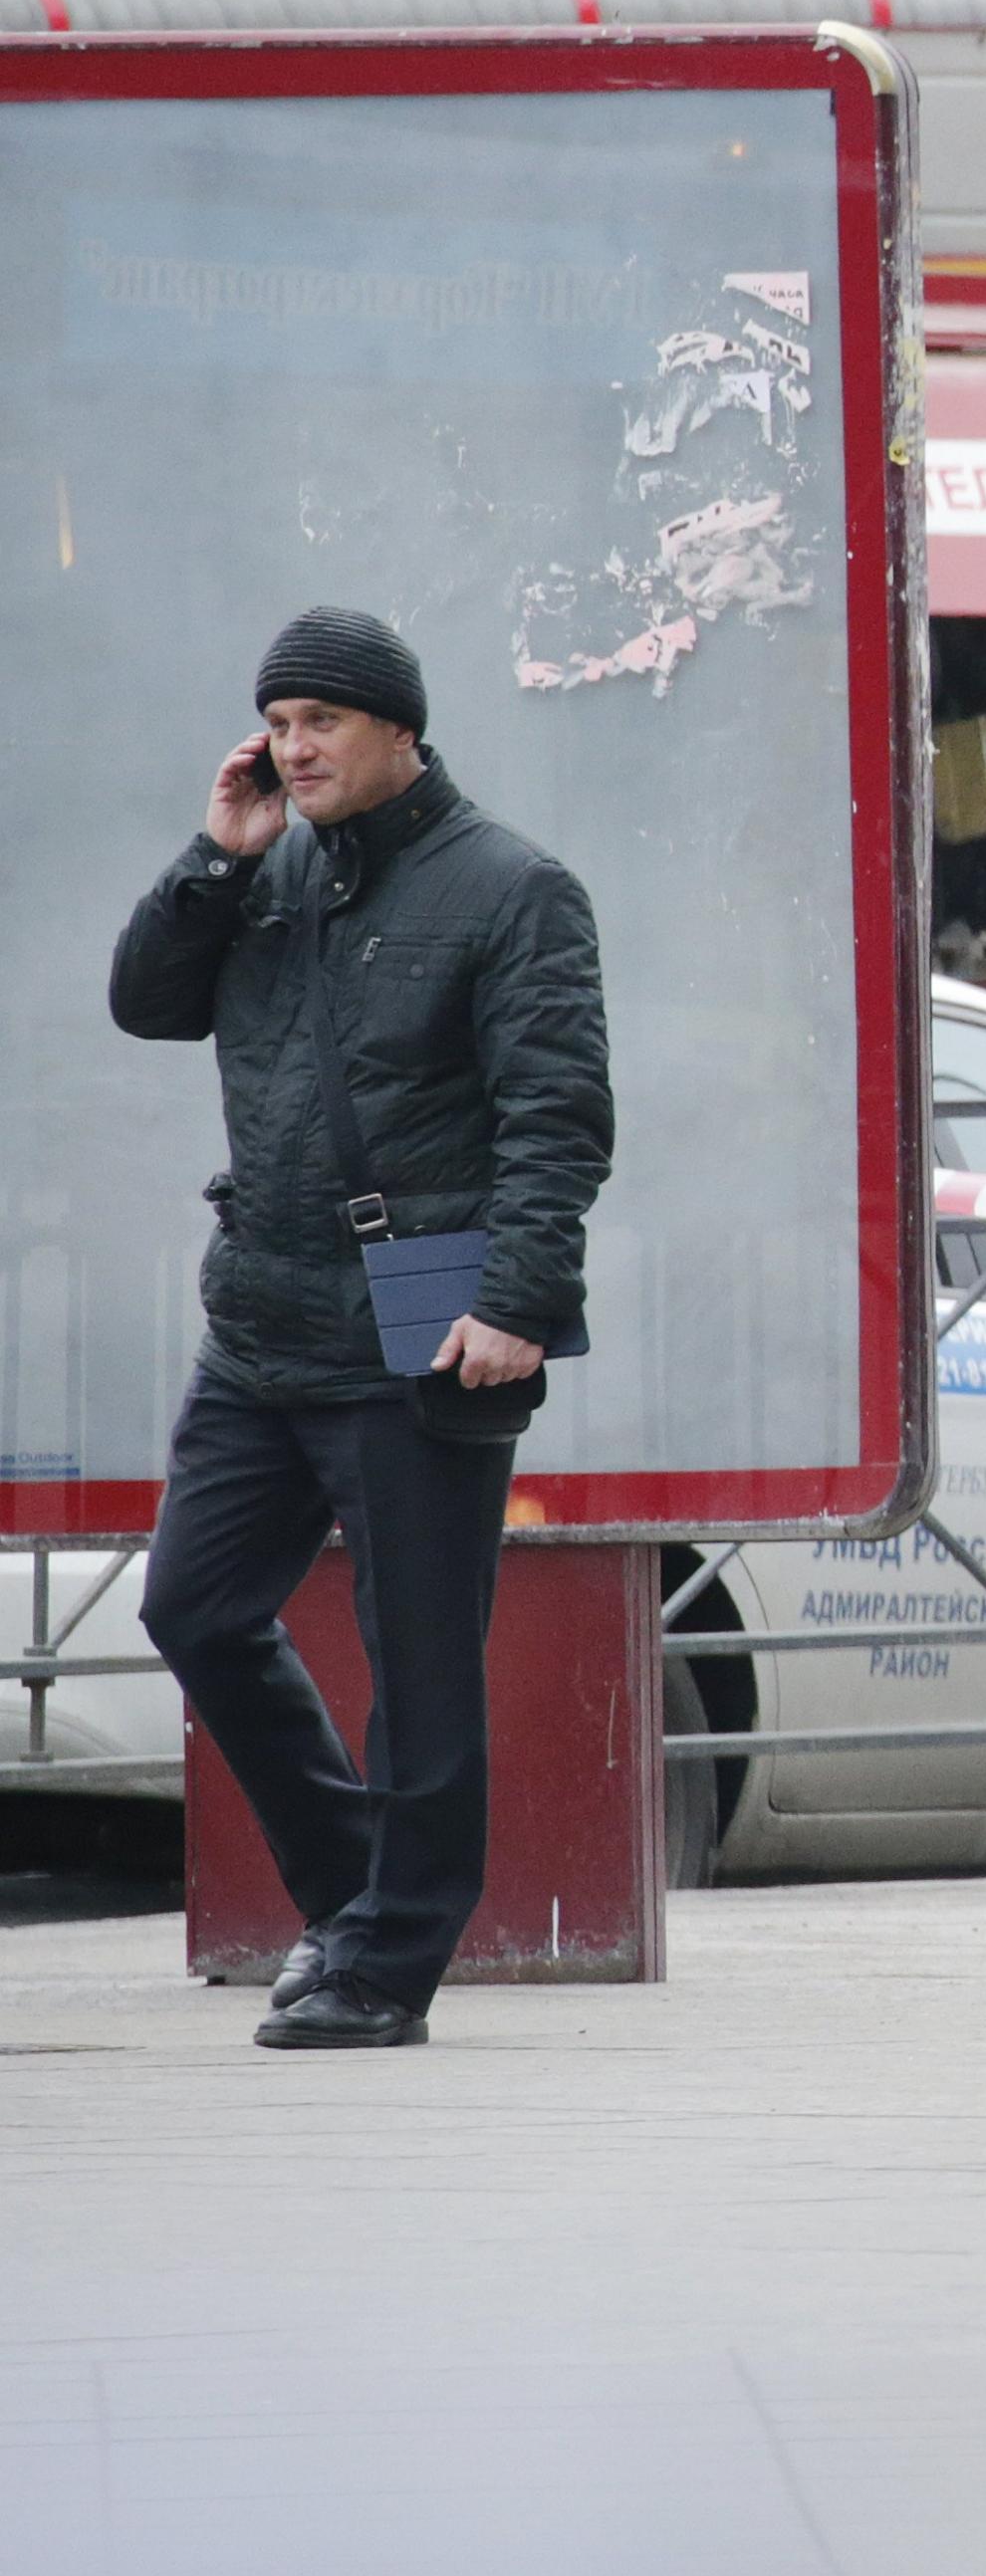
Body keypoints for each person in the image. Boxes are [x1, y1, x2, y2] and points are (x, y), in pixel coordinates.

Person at [112, 608, 614, 2052]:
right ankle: (349, 1894)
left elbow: (558, 1115)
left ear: (402, 729)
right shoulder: (266, 865)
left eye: (322, 720)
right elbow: (146, 1003)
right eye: (278, 722)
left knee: (422, 1662)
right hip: (263, 1315)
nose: (294, 747)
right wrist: (218, 856)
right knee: (193, 1606)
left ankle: (389, 1965)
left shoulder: (515, 887)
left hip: (424, 1317)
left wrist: (517, 1298)